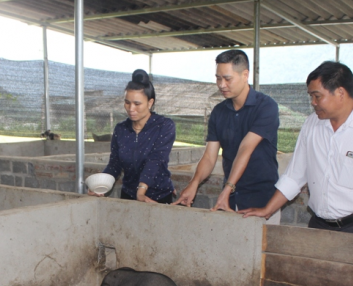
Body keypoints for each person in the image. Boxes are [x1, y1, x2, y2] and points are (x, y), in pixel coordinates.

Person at [242, 61, 353, 245]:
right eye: (311, 96)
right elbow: (295, 175)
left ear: (340, 92)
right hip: (319, 226)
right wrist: (267, 210)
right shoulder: (312, 125)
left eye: (317, 96)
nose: (313, 103)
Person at [174, 50, 280, 218]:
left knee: (261, 244)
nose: (221, 85)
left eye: (227, 79)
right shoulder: (218, 112)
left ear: (245, 75)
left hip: (262, 199)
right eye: (218, 78)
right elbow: (210, 156)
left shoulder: (266, 107)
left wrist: (227, 188)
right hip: (231, 198)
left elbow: (245, 148)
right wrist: (194, 183)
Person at [89, 69, 176, 203]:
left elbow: (156, 159)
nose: (131, 109)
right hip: (129, 195)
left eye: (137, 104)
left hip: (158, 196)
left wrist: (141, 191)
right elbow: (114, 164)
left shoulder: (164, 126)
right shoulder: (121, 129)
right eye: (127, 102)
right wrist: (100, 185)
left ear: (150, 103)